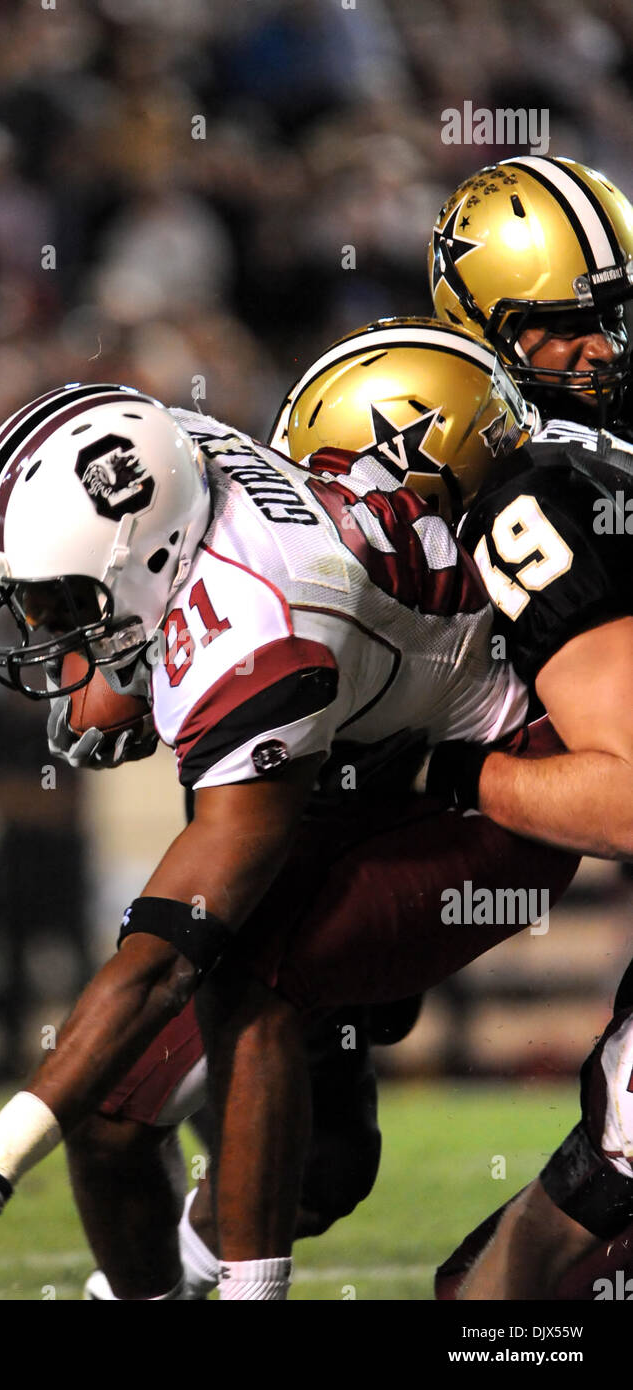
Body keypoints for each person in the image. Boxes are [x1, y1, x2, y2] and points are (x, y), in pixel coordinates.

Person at [0, 368, 562, 1298]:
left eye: (61, 604)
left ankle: (245, 1291)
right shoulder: (173, 465)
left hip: (480, 784)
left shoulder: (258, 632)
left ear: (142, 559)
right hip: (357, 751)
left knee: (250, 982)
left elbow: (165, 957)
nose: (47, 633)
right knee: (107, 1119)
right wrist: (118, 663)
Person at [422, 154, 633, 1298]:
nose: (600, 347)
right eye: (563, 328)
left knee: (502, 1292)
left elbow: (626, 797)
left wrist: (454, 773)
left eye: (611, 315)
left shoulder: (534, 488)